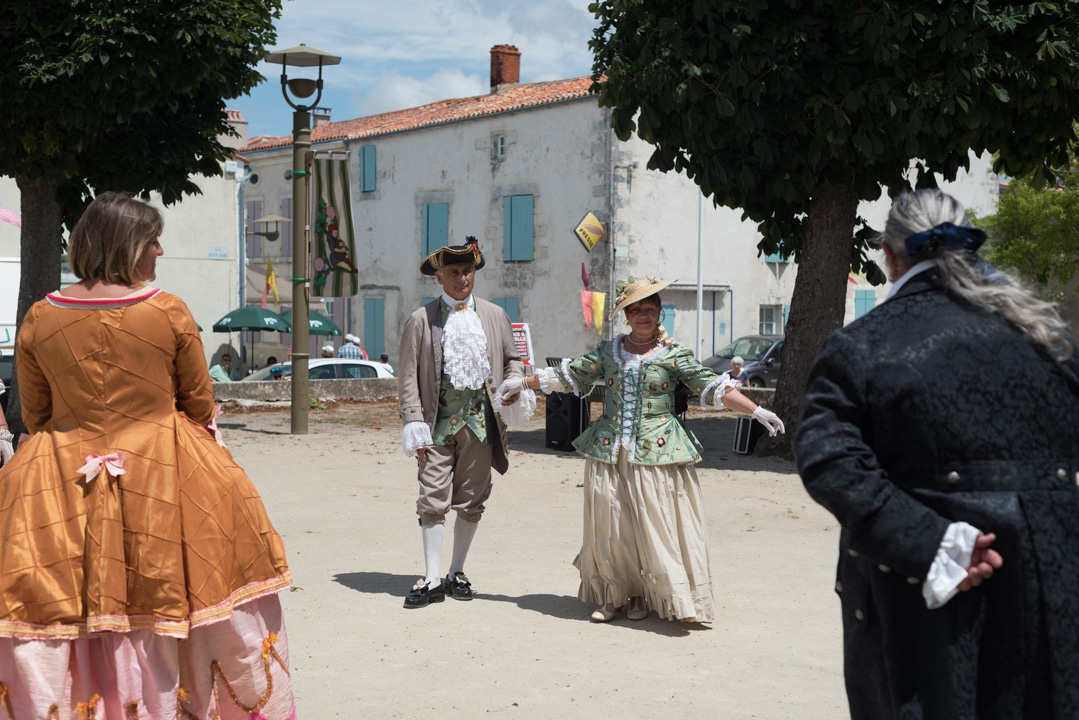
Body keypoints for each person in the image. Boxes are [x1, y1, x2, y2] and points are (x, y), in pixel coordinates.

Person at [0, 193, 294, 717]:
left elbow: (38, 413)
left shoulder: (41, 316)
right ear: (127, 246)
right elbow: (200, 402)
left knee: (61, 606)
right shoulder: (167, 310)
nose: (159, 249)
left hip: (62, 473)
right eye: (151, 240)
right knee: (184, 597)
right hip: (166, 471)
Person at [795, 188, 1079, 719]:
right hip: (1049, 583)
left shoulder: (861, 344)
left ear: (889, 254)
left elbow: (827, 460)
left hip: (920, 594)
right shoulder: (1048, 337)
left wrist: (935, 543)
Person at [509, 277, 784, 622]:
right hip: (610, 450)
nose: (642, 316)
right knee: (612, 525)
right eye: (635, 310)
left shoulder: (673, 355)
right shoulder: (608, 352)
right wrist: (522, 381)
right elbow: (570, 375)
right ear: (626, 315)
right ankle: (613, 595)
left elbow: (712, 386)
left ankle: (641, 596)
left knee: (652, 525)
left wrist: (756, 410)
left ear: (658, 314)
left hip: (655, 452)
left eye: (649, 309)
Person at [398, 236, 525, 609]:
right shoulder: (420, 320)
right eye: (454, 272)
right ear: (439, 277)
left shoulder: (495, 315)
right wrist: (412, 421)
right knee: (432, 496)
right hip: (435, 426)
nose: (462, 278)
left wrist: (515, 381)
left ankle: (456, 571)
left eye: (467, 270)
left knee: (472, 500)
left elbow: (512, 360)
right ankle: (432, 577)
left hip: (481, 425)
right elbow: (407, 376)